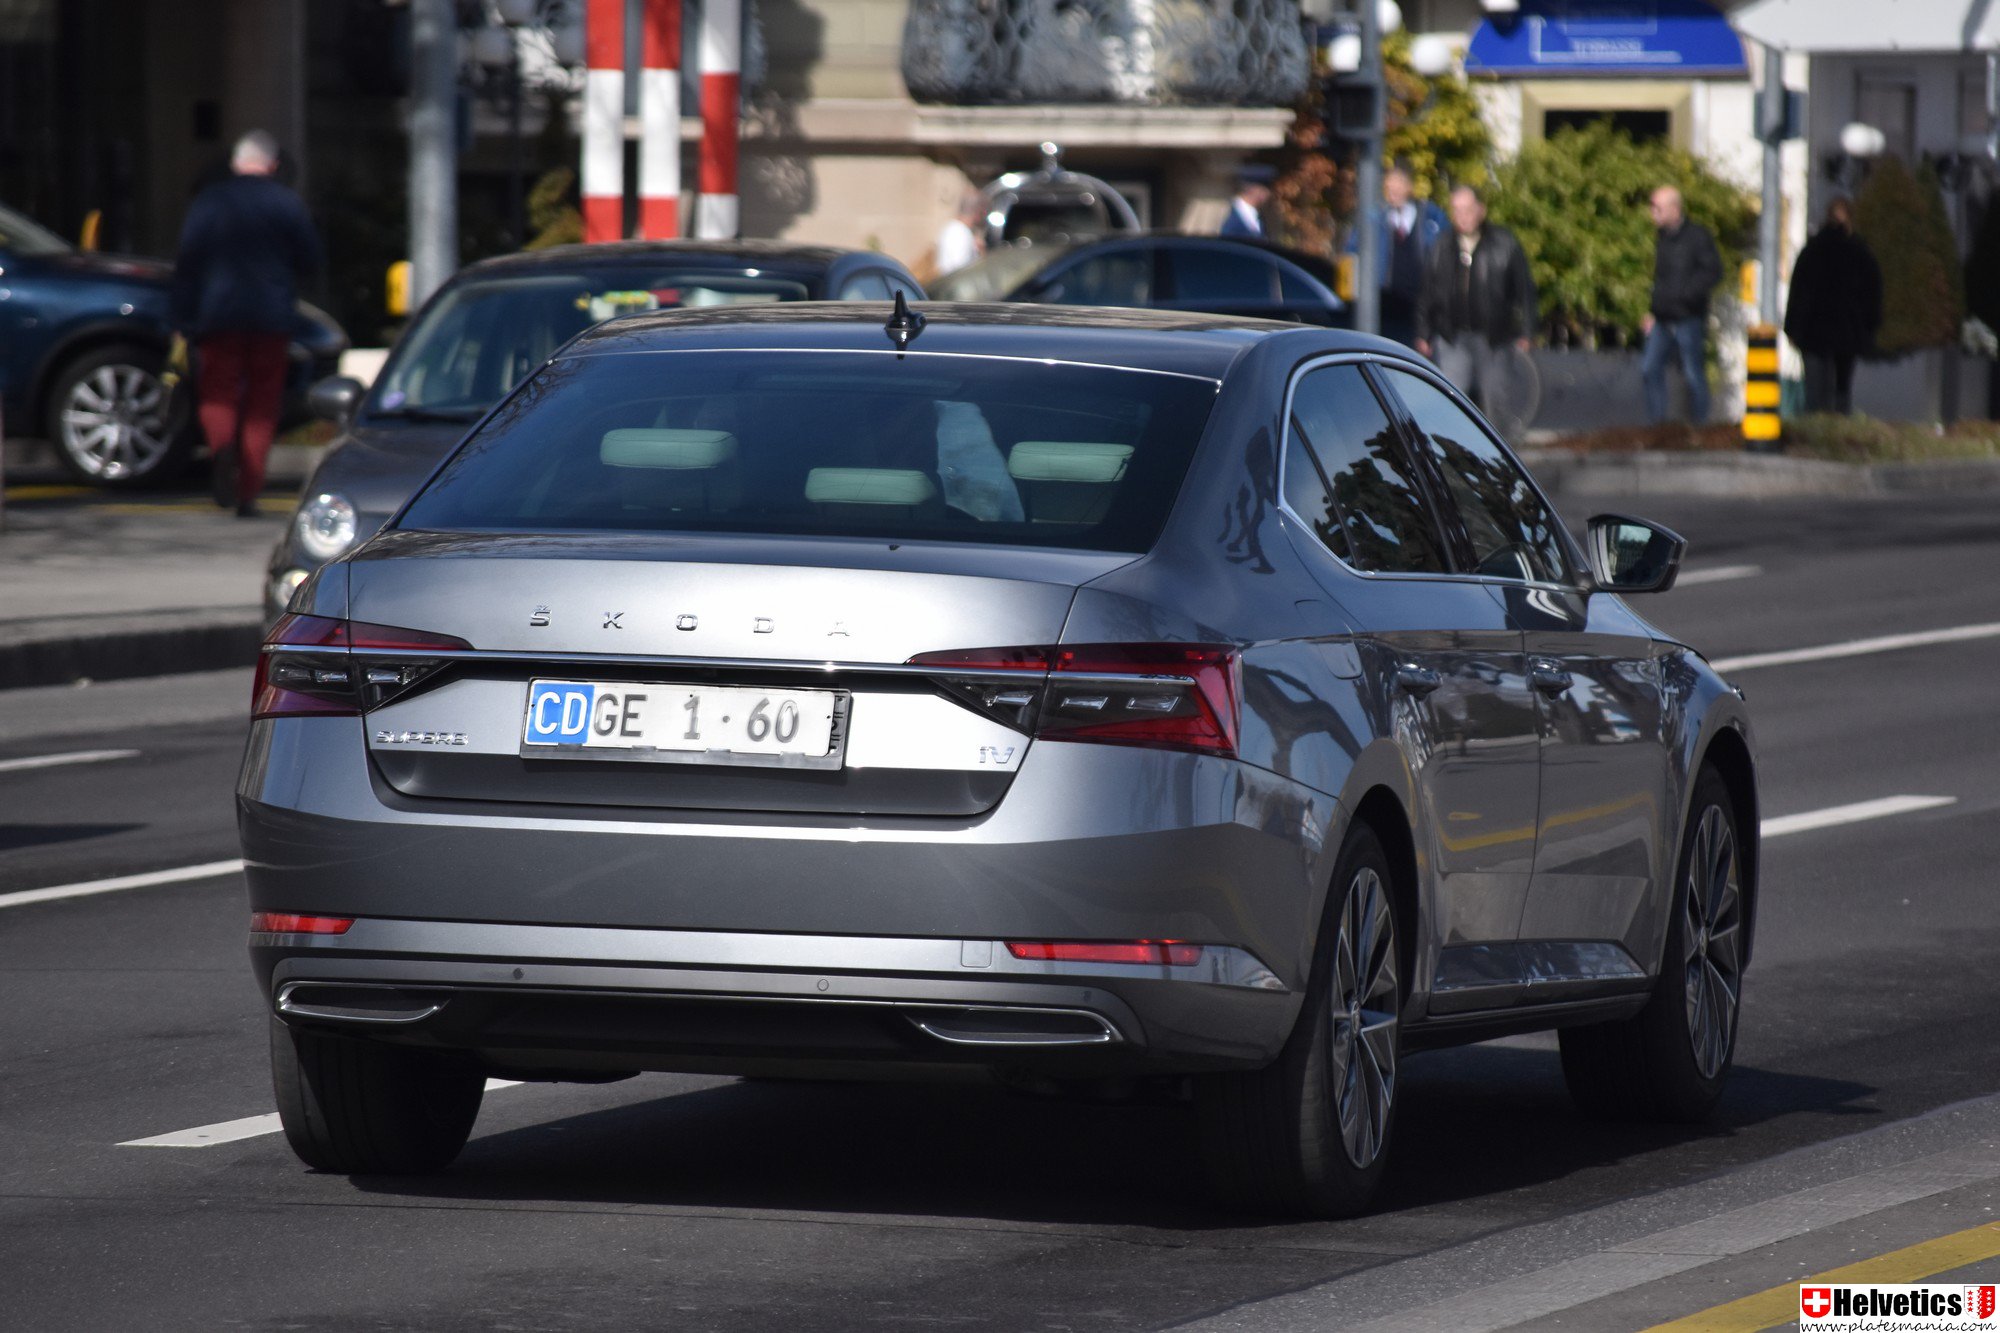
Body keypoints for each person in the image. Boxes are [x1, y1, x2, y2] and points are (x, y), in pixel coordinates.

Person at [171, 130, 322, 517]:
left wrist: (182, 318)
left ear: (236, 163)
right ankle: (248, 488)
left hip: (217, 314)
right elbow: (310, 259)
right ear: (272, 165)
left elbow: (188, 263)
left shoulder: (210, 201)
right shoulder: (287, 203)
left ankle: (222, 450)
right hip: (271, 316)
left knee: (218, 394)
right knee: (262, 402)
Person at [1414, 185, 1536, 416]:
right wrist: (1424, 332)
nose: (1463, 217)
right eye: (1457, 210)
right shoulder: (1442, 245)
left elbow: (1524, 289)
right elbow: (1428, 292)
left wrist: (1527, 331)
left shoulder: (1504, 243)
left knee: (1496, 402)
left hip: (1493, 337)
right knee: (1452, 403)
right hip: (1452, 335)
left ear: (1480, 210)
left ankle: (1498, 440)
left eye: (1467, 210)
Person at [1784, 197, 1882, 415]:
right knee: (1841, 391)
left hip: (1812, 333)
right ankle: (1837, 428)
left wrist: (1792, 330)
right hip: (1847, 334)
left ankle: (1814, 428)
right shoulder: (1860, 253)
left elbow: (1799, 293)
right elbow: (1872, 297)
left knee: (1814, 393)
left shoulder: (1811, 251)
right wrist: (1868, 331)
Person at [1641, 184, 1722, 425]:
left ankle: (1699, 428)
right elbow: (1661, 280)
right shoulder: (1663, 238)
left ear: (1674, 209)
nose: (1653, 213)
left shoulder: (1697, 237)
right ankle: (1658, 425)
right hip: (1663, 317)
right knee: (1649, 368)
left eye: (1658, 208)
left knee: (1692, 373)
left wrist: (1686, 296)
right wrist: (1653, 311)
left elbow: (1712, 271)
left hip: (1688, 317)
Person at [1349, 164, 1447, 347]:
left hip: (1420, 307)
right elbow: (1351, 252)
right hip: (1385, 306)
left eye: (1398, 185)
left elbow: (1446, 254)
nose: (1392, 191)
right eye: (1388, 186)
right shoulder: (1375, 218)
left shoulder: (1431, 217)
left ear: (1409, 187)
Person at [933, 190, 986, 277]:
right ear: (978, 211)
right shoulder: (960, 234)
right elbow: (960, 271)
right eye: (983, 212)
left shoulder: (951, 228)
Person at [1220, 165, 1275, 239]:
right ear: (1253, 189)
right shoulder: (1226, 213)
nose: (1269, 193)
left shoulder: (1258, 216)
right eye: (1266, 189)